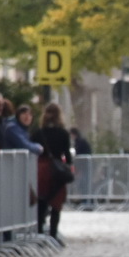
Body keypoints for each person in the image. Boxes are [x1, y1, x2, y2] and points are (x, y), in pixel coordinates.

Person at [34, 102, 73, 238]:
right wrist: (67, 166)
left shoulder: (39, 133)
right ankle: (53, 233)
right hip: (57, 170)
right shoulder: (63, 133)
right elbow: (67, 155)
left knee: (42, 200)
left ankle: (39, 230)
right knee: (56, 203)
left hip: (42, 168)